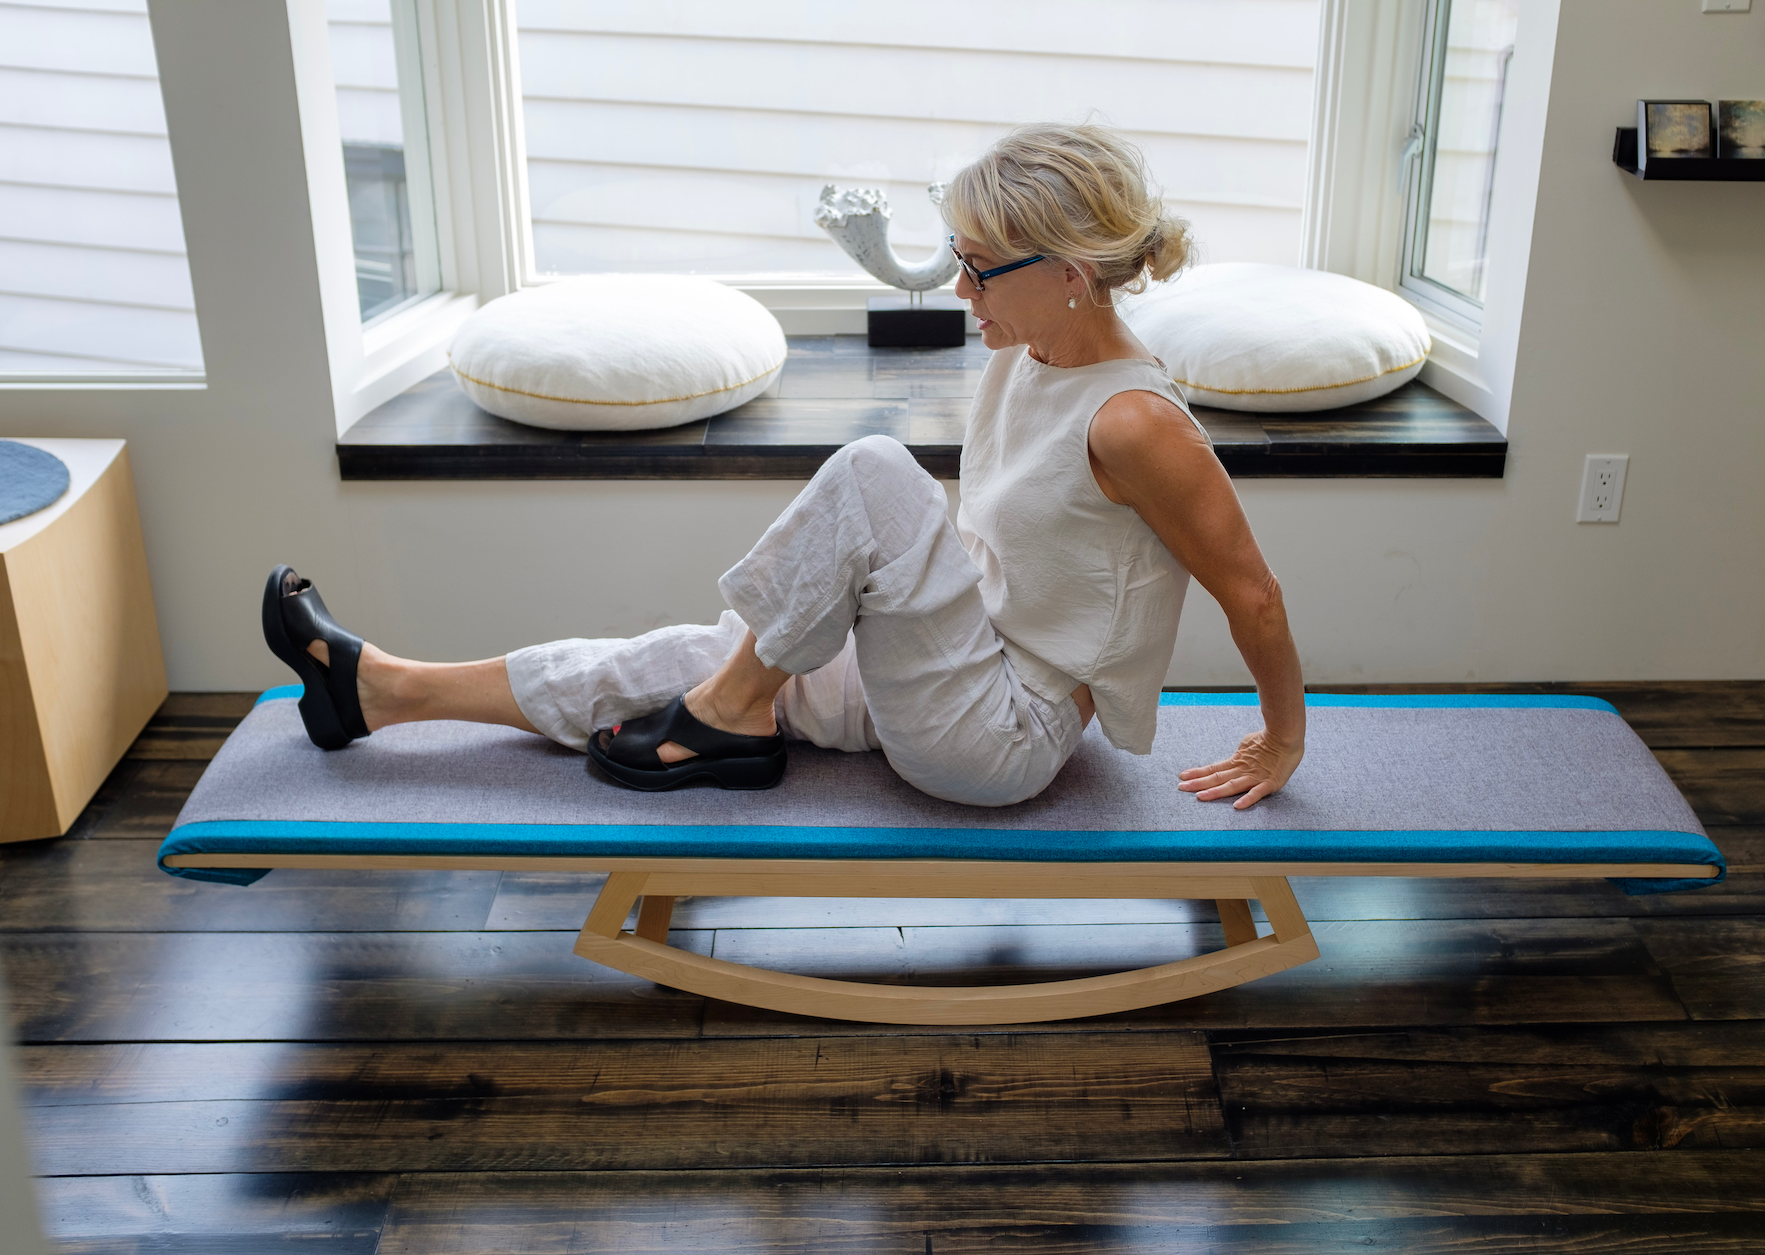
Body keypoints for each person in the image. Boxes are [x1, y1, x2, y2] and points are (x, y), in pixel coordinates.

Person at [263, 123, 1306, 810]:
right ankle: (380, 689)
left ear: (1073, 275)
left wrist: (1282, 740)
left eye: (978, 267)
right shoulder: (1031, 356)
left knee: (874, 472)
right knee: (692, 651)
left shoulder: (1137, 422)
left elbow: (1252, 590)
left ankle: (727, 715)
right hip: (952, 665)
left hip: (1003, 731)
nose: (959, 288)